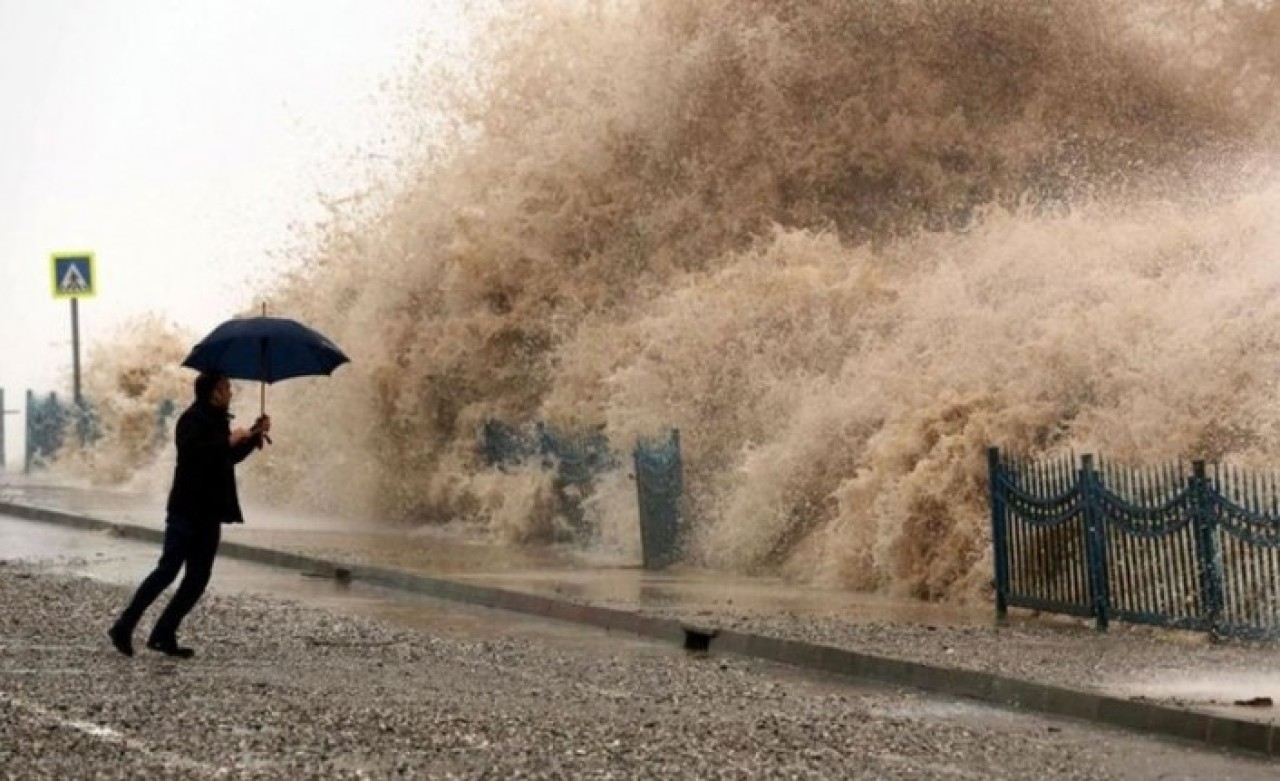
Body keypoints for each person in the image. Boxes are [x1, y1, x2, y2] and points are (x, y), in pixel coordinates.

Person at [108, 371, 271, 658]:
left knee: (197, 577)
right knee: (168, 570)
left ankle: (163, 633)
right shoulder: (191, 419)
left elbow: (226, 460)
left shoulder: (221, 422)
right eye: (227, 388)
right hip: (186, 510)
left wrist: (252, 438)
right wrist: (230, 441)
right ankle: (124, 624)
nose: (231, 393)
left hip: (210, 513)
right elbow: (194, 454)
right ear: (214, 392)